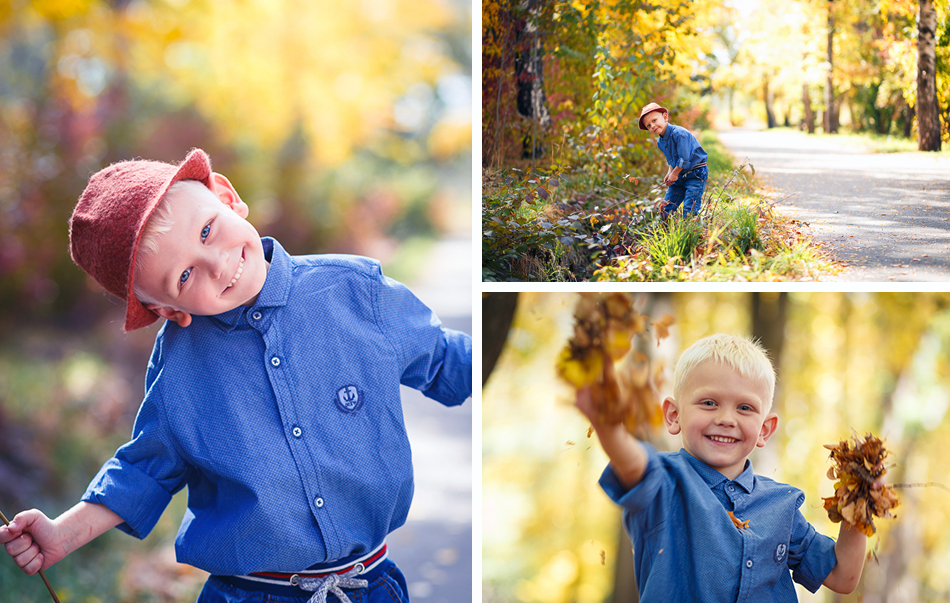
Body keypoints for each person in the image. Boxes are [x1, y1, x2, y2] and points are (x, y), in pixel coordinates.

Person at [0, 148, 472, 603]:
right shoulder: (180, 367)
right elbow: (144, 469)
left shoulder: (354, 292)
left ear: (226, 197)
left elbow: (446, 359)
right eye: (184, 276)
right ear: (167, 309)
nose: (217, 264)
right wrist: (61, 534)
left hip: (369, 585)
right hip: (246, 593)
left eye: (207, 230)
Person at [576, 333, 869, 602]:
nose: (726, 419)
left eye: (745, 408)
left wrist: (861, 497)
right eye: (709, 403)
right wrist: (607, 423)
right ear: (674, 415)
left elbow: (842, 576)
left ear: (765, 429)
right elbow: (634, 464)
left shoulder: (782, 505)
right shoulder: (665, 484)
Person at [638, 101, 708, 220]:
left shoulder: (679, 134)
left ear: (665, 117)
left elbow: (684, 158)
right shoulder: (660, 142)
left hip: (696, 172)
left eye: (654, 120)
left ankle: (692, 229)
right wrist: (670, 172)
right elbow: (671, 159)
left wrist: (674, 173)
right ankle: (666, 228)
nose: (652, 126)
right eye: (648, 125)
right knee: (666, 207)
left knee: (690, 209)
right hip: (679, 173)